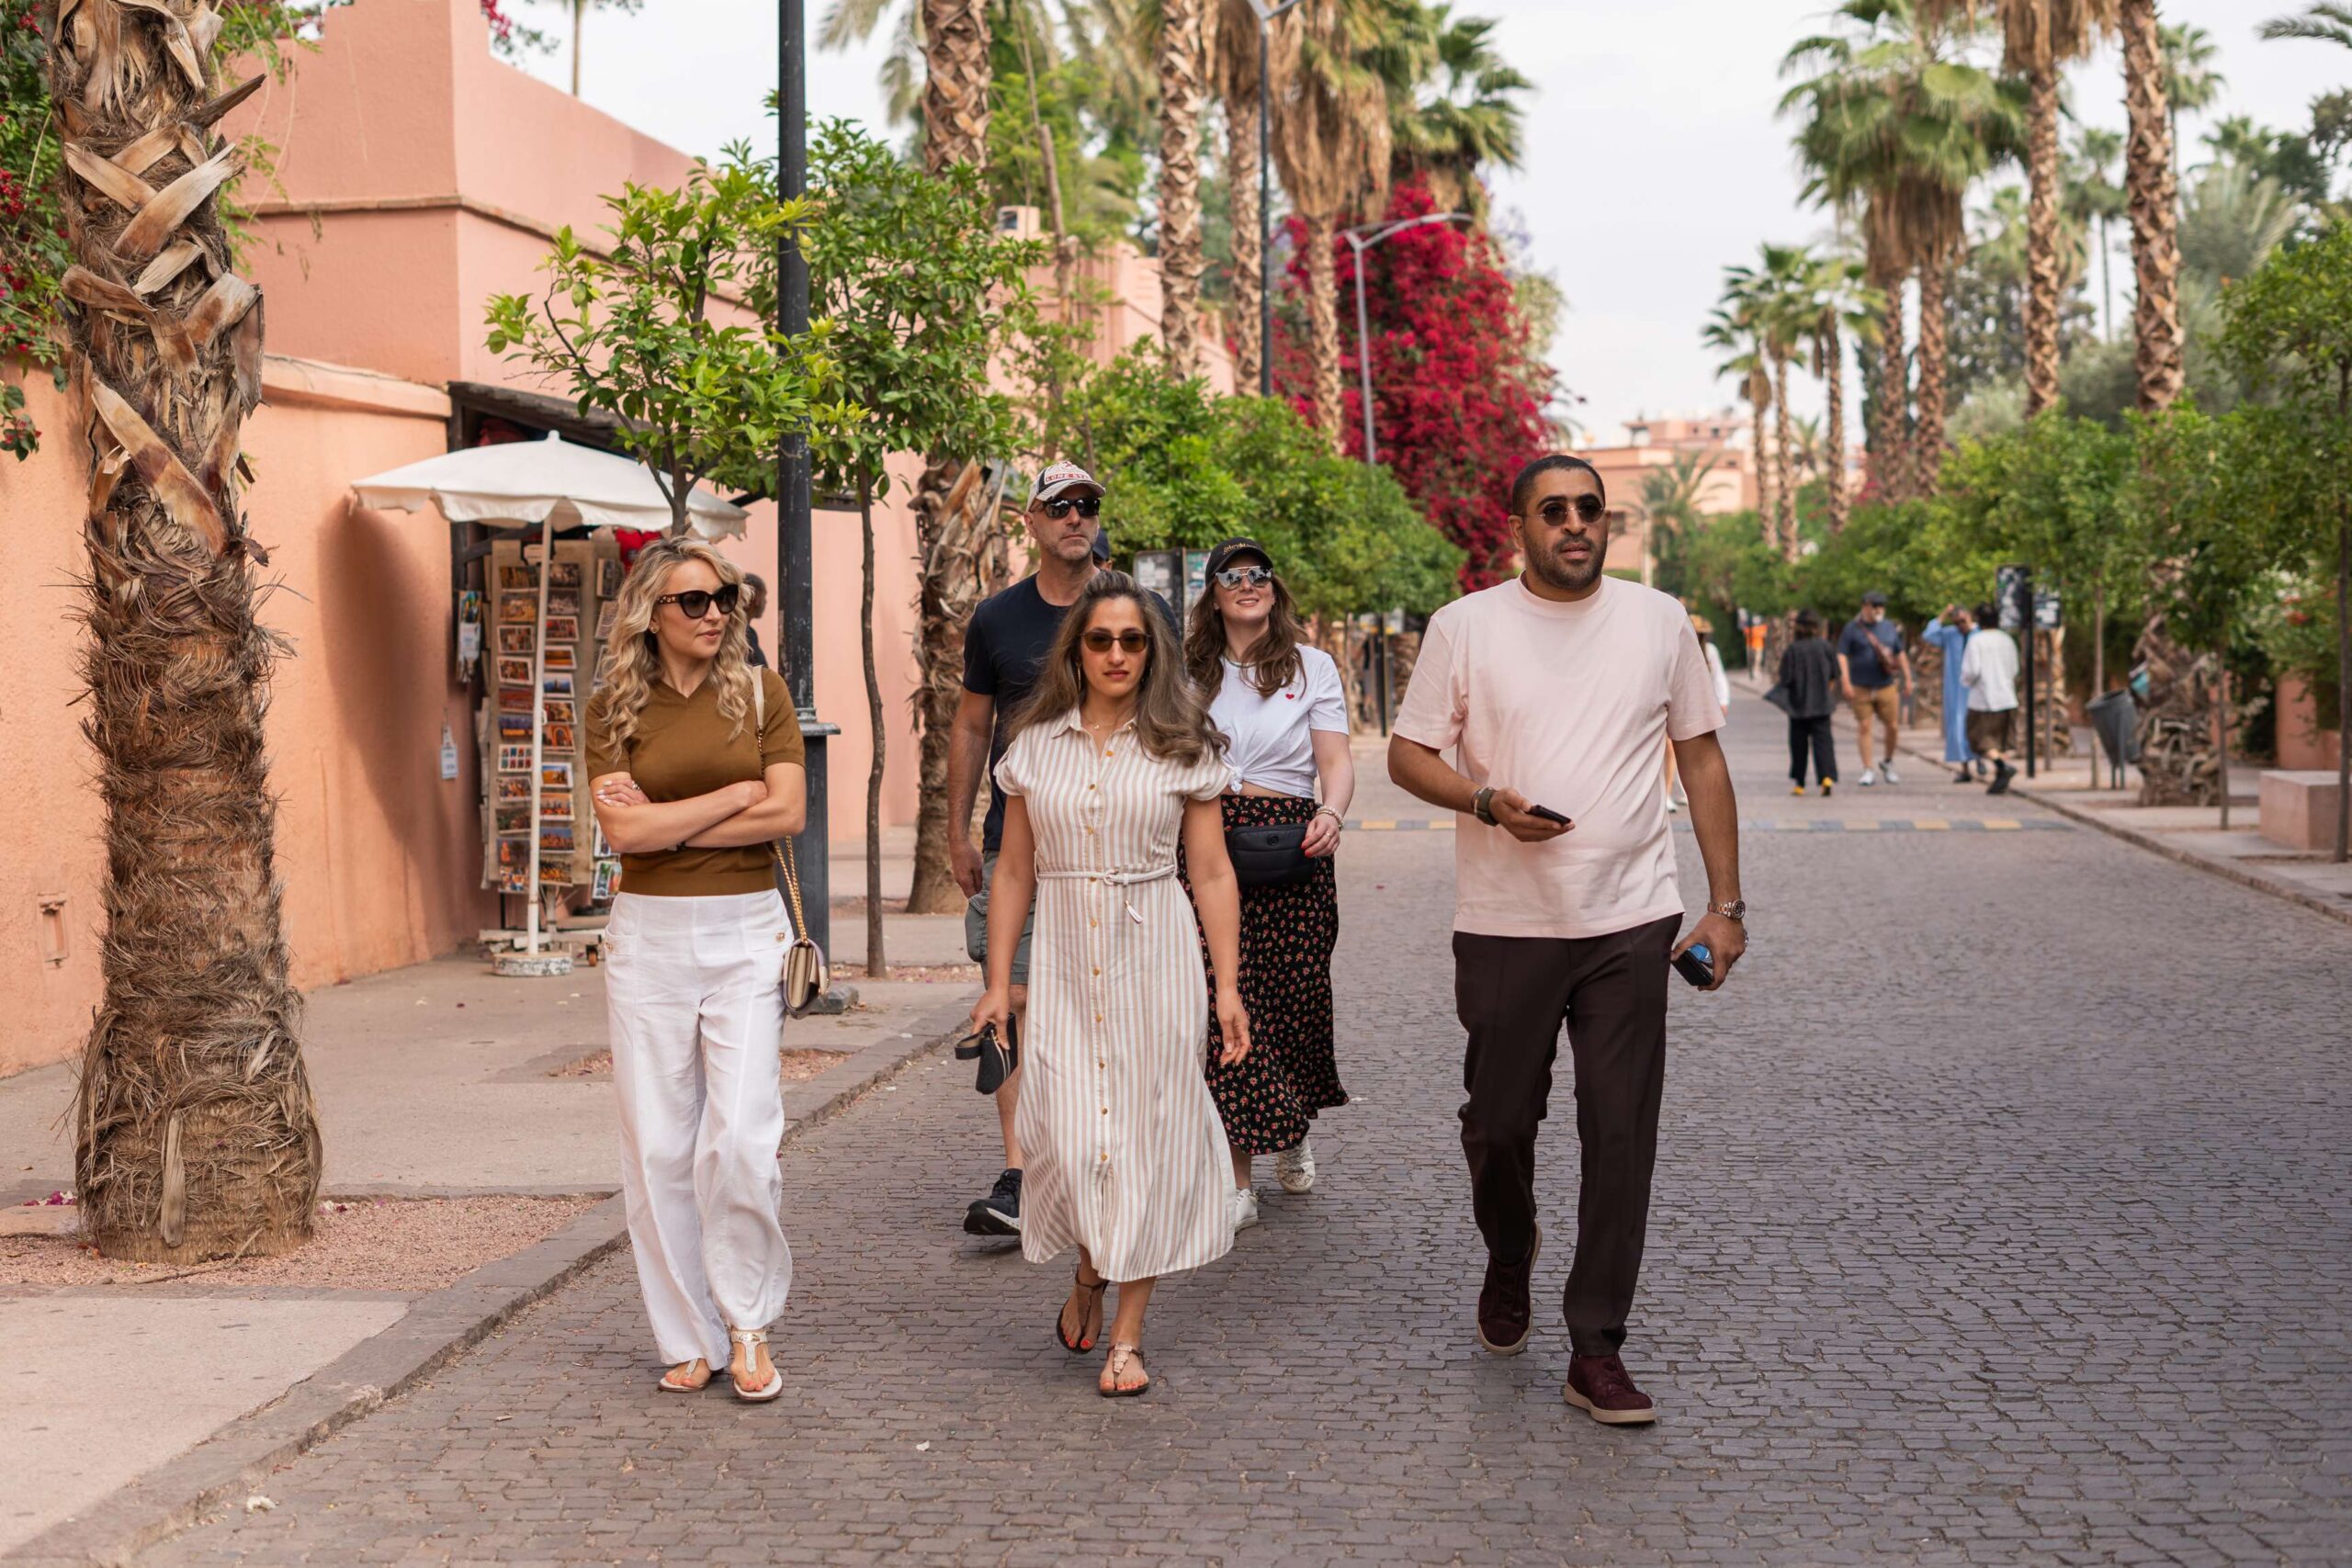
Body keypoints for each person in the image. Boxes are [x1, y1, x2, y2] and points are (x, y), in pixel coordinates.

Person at [1387, 454, 1747, 1427]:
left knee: (1620, 1132)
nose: (1576, 523)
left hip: (1631, 918)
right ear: (1520, 529)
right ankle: (1510, 1249)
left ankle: (1597, 1346)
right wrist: (1484, 801)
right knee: (1498, 1125)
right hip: (1504, 922)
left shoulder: (1659, 621)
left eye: (1591, 508)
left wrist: (1726, 906)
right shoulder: (1466, 626)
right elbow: (1407, 754)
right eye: (1554, 510)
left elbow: (1701, 759)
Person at [967, 572, 1251, 1398]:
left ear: (1152, 650)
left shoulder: (1184, 745)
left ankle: (1127, 1335)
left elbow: (1211, 871)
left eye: (1133, 640)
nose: (1118, 653)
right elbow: (1013, 871)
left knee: (1144, 1140)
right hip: (1061, 958)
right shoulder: (1035, 743)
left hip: (1153, 953)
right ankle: (1091, 1263)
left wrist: (1227, 986)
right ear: (1077, 650)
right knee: (1064, 1133)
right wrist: (998, 983)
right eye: (1101, 639)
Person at [585, 538, 807, 1403]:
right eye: (694, 600)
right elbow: (624, 835)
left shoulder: (759, 691)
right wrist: (734, 796)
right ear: (651, 612)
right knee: (658, 1146)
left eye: (724, 597)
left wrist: (671, 822)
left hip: (746, 929)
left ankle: (748, 1322)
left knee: (742, 1135)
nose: (714, 612)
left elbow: (787, 811)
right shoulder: (612, 706)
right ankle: (690, 1335)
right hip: (648, 938)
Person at [946, 462, 1176, 1237]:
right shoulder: (997, 619)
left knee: (1112, 1011)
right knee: (1010, 999)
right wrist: (956, 828)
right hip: (1020, 844)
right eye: (1059, 506)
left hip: (1123, 851)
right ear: (1033, 522)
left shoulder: (1143, 613)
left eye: (1087, 505)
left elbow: (1175, 712)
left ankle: (1110, 1161)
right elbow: (973, 724)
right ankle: (1021, 1176)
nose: (1075, 517)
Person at [1181, 537, 1354, 1232]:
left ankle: (1292, 1121)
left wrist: (1332, 812)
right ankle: (1239, 1181)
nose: (1248, 583)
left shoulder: (1312, 666)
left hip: (1293, 842)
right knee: (1229, 1001)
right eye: (1232, 575)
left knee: (1294, 1000)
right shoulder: (1187, 671)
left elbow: (1334, 760)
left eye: (1259, 574)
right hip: (1209, 839)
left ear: (1274, 589)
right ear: (1213, 593)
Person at [1838, 591, 1910, 786]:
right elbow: (1842, 654)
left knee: (1893, 726)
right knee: (1864, 726)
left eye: (1882, 606)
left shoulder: (1888, 627)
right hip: (1861, 685)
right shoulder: (1852, 629)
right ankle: (1868, 768)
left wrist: (1908, 679)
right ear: (1865, 607)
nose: (1879, 610)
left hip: (1886, 685)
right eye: (1875, 606)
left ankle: (1888, 762)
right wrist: (1845, 680)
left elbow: (1900, 652)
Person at [1665, 615, 1732, 813]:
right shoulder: (1674, 647)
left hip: (1697, 706)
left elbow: (1718, 676)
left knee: (1696, 750)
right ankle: (1666, 793)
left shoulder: (1710, 651)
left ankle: (1689, 792)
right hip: (1674, 704)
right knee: (1670, 749)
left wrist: (1723, 700)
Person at [1776, 609, 1841, 796]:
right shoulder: (1826, 647)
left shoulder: (1793, 650)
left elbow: (1785, 678)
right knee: (1824, 742)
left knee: (1798, 745)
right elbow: (1834, 674)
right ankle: (1826, 777)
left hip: (1798, 705)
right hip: (1822, 703)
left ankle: (1800, 783)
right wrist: (1825, 692)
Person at [1961, 602, 2021, 795]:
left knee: (1979, 741)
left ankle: (2003, 767)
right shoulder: (2007, 640)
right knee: (2000, 742)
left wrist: (1965, 682)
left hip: (1983, 700)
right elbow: (2014, 669)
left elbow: (1971, 671)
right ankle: (2000, 778)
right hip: (2007, 697)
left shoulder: (1976, 641)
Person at [1917, 604, 1979, 783]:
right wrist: (1943, 614)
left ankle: (1980, 760)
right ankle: (1965, 768)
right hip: (1956, 689)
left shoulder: (1980, 634)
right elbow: (1929, 634)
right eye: (1956, 622)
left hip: (1977, 689)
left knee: (1978, 727)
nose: (1960, 625)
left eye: (1963, 621)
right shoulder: (1951, 634)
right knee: (1958, 728)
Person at [741, 574, 770, 669]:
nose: (766, 602)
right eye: (764, 596)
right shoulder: (742, 633)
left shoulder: (750, 632)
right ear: (756, 598)